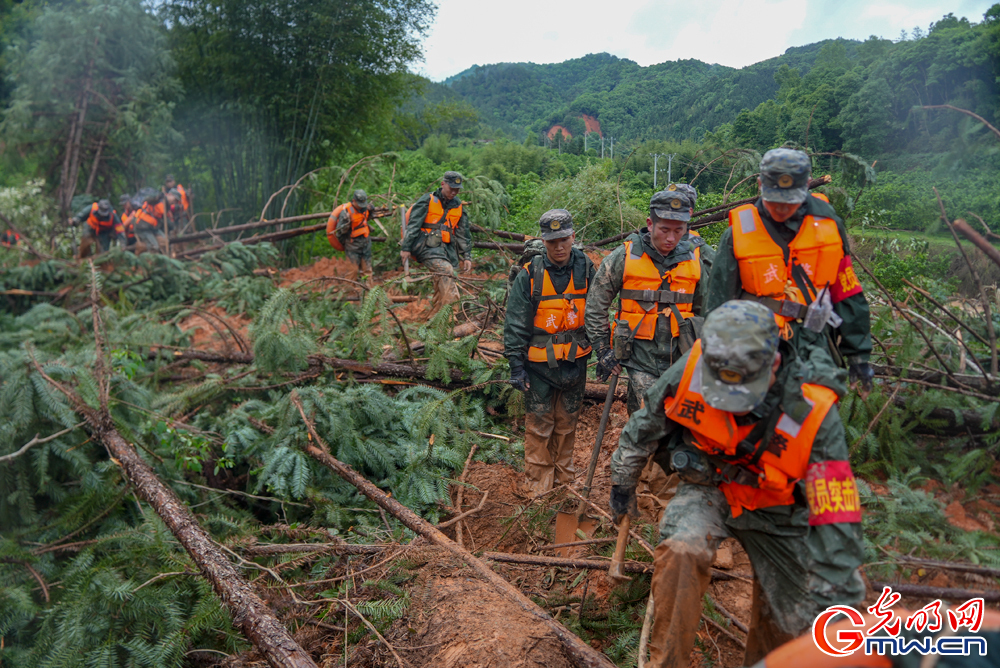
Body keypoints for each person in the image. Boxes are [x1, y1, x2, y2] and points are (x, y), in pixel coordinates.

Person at [610, 300, 865, 668]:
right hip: (709, 487)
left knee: (790, 613)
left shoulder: (814, 410)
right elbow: (645, 425)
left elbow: (836, 514)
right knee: (682, 550)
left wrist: (839, 599)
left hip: (778, 507)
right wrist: (623, 482)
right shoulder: (695, 364)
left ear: (773, 364)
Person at [705, 148, 873, 395]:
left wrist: (858, 356)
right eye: (775, 199)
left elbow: (846, 291)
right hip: (753, 340)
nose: (782, 208)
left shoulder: (829, 227)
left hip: (812, 340)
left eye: (790, 200)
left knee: (815, 411)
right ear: (760, 184)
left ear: (807, 185)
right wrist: (713, 351)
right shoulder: (739, 233)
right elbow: (719, 300)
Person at [505, 209, 596, 496]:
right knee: (539, 425)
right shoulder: (530, 274)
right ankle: (538, 488)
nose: (559, 247)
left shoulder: (587, 268)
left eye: (564, 239)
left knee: (567, 424)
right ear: (543, 242)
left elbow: (598, 311)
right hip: (538, 366)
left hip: (574, 362)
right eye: (552, 241)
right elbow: (516, 321)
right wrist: (515, 365)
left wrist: (605, 350)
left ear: (573, 237)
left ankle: (565, 486)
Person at [400, 171, 473, 314]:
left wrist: (467, 256)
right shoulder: (427, 200)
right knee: (446, 271)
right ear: (443, 184)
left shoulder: (458, 206)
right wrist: (406, 247)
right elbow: (413, 225)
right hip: (426, 246)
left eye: (457, 189)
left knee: (441, 277)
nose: (454, 192)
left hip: (446, 249)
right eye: (451, 188)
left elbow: (463, 233)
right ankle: (449, 315)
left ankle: (436, 314)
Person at [328, 189, 374, 282]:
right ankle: (349, 292)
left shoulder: (366, 209)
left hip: (365, 242)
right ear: (353, 201)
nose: (361, 206)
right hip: (352, 245)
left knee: (367, 270)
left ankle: (370, 292)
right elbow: (339, 232)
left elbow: (367, 218)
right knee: (352, 271)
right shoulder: (346, 213)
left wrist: (372, 210)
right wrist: (346, 224)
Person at [132, 189, 167, 254]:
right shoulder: (152, 202)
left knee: (165, 240)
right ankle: (150, 260)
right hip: (142, 227)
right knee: (154, 245)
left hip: (152, 228)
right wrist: (158, 197)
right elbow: (150, 199)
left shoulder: (163, 206)